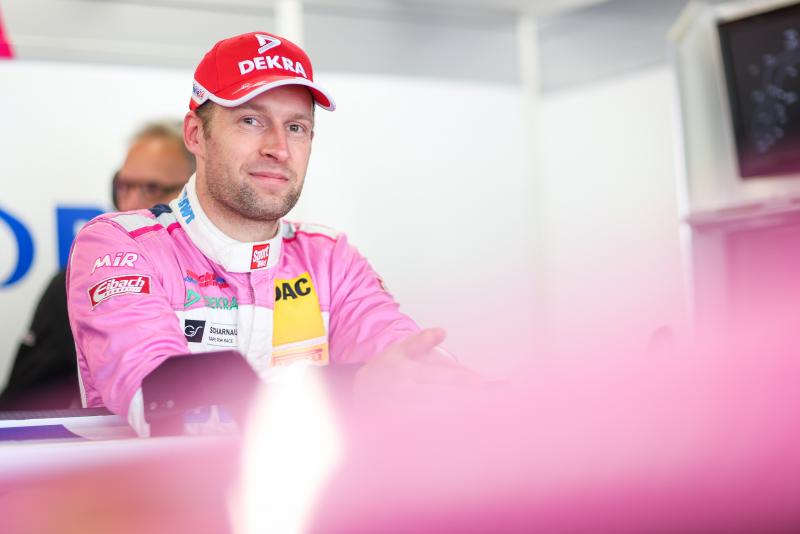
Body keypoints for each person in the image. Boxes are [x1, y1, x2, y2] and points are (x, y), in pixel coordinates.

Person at [66, 31, 475, 436]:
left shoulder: (330, 259)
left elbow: (411, 370)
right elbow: (166, 401)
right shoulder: (120, 244)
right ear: (196, 135)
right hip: (159, 482)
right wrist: (353, 389)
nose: (278, 148)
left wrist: (437, 383)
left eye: (296, 127)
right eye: (251, 120)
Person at [0, 121, 195, 411]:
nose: (129, 203)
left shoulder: (242, 272)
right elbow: (18, 413)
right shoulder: (76, 282)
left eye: (152, 188)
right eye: (123, 186)